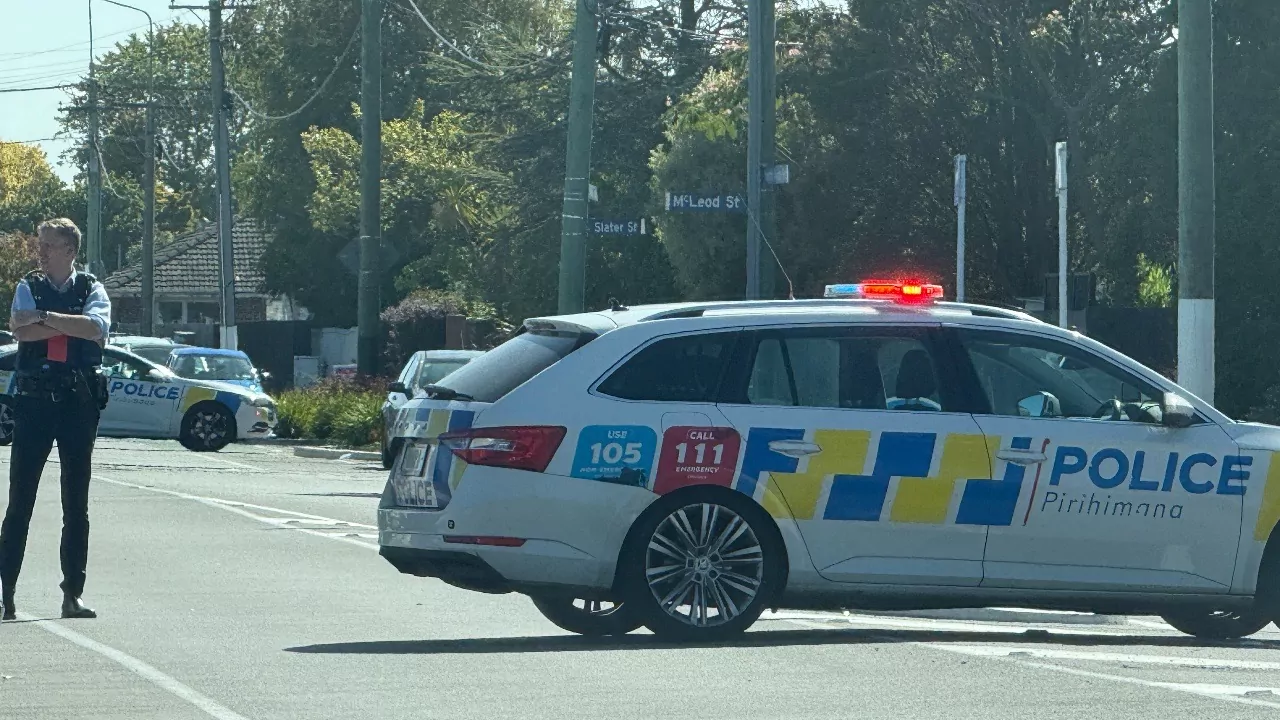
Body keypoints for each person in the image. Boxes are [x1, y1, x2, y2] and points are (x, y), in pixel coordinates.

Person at [0, 218, 111, 622]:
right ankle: (5, 593)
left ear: (70, 249)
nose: (41, 251)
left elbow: (96, 328)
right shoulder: (27, 285)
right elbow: (20, 331)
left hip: (78, 406)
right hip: (33, 404)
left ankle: (72, 595)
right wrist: (65, 324)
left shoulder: (92, 288)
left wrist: (44, 317)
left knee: (75, 504)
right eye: (40, 244)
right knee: (20, 501)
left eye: (49, 245)